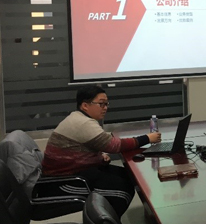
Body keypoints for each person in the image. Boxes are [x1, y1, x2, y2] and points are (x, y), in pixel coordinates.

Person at [41, 85, 162, 216]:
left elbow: (82, 149)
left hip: (77, 171)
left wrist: (99, 157)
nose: (105, 108)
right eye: (101, 104)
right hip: (63, 182)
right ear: (85, 105)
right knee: (121, 189)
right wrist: (147, 138)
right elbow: (114, 146)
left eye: (106, 104)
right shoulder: (83, 123)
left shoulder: (79, 118)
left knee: (127, 175)